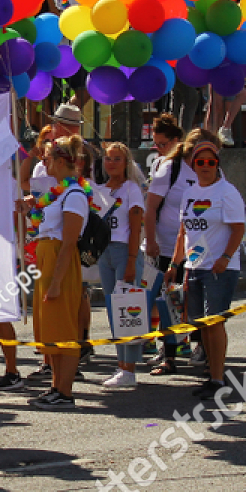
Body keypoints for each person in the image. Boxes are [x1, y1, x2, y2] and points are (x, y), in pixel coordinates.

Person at [166, 140, 246, 399]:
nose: (205, 167)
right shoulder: (189, 193)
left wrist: (225, 256)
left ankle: (218, 377)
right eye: (200, 162)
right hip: (194, 265)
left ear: (217, 165)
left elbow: (238, 229)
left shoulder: (227, 192)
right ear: (193, 166)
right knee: (199, 323)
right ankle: (211, 373)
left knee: (214, 322)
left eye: (211, 162)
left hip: (219, 267)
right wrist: (175, 264)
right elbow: (183, 233)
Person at [145, 125, 219, 375]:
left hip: (200, 250)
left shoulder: (214, 171)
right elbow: (151, 206)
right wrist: (151, 241)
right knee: (169, 302)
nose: (208, 159)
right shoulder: (171, 168)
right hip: (168, 247)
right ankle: (168, 354)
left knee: (197, 301)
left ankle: (201, 347)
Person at [27, 138, 88, 408]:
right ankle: (55, 386)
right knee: (51, 327)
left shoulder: (74, 195)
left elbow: (69, 243)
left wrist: (56, 282)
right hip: (46, 258)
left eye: (48, 158)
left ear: (61, 161)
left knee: (64, 327)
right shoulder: (56, 192)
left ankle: (65, 392)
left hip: (59, 262)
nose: (44, 162)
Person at [92, 141, 147, 389]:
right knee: (114, 310)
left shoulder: (131, 189)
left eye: (117, 159)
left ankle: (130, 368)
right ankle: (120, 364)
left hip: (125, 250)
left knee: (129, 309)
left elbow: (136, 226)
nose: (111, 163)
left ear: (126, 163)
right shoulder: (101, 189)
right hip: (105, 252)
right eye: (108, 158)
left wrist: (133, 260)